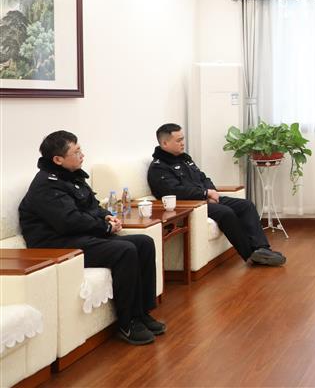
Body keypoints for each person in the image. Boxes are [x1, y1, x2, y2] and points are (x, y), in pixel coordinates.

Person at [19, 131, 165, 346]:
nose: (82, 155)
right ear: (58, 159)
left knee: (144, 242)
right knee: (125, 250)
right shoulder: (46, 185)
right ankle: (128, 322)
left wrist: (106, 217)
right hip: (56, 244)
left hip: (78, 236)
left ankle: (142, 312)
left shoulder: (72, 176)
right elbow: (68, 221)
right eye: (76, 152)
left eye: (80, 150)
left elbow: (92, 205)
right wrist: (105, 227)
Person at [147, 123, 285, 267]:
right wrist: (205, 193)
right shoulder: (158, 168)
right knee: (226, 213)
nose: (183, 143)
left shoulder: (185, 159)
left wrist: (212, 193)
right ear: (165, 143)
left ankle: (262, 249)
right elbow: (175, 191)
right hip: (191, 205)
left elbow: (203, 178)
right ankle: (251, 254)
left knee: (246, 205)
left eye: (183, 139)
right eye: (178, 140)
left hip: (205, 199)